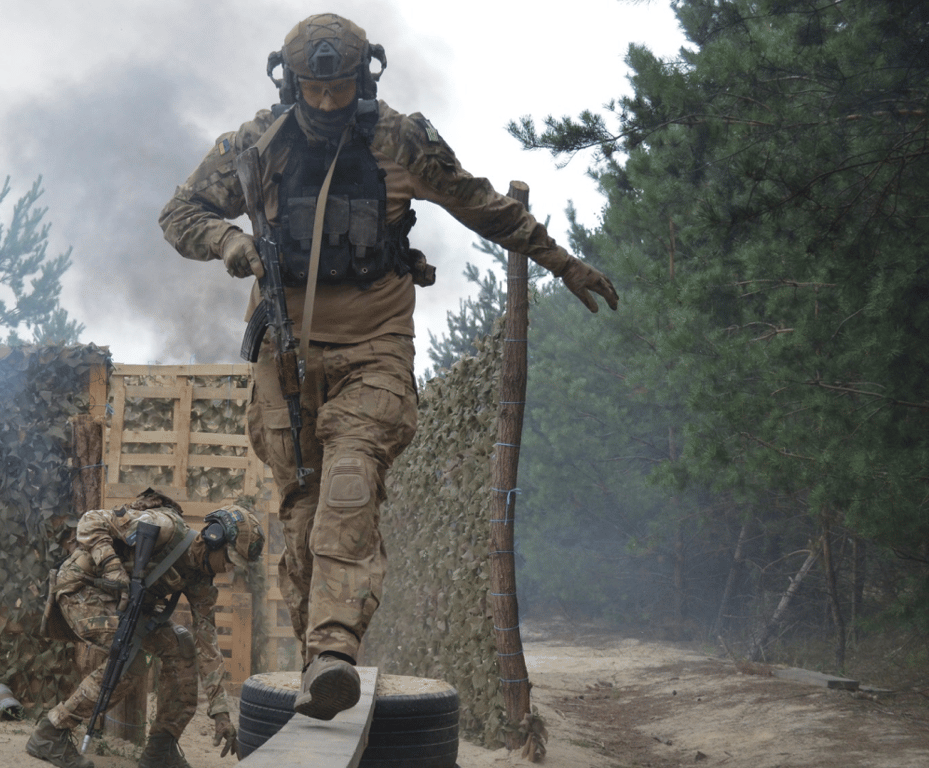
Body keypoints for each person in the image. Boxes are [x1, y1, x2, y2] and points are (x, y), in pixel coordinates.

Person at [158, 13, 618, 722]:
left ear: (363, 79)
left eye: (339, 88)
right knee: (306, 514)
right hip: (285, 357)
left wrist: (564, 263)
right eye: (313, 90)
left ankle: (336, 647)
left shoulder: (402, 141)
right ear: (291, 85)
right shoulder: (257, 145)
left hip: (374, 346)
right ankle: (321, 665)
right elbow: (180, 212)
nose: (326, 103)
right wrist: (230, 244)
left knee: (349, 488)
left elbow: (482, 207)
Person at [27, 488, 264, 768]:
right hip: (83, 589)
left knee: (183, 644)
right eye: (229, 559)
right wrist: (111, 565)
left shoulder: (201, 581)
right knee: (130, 657)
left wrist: (220, 712)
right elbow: (91, 520)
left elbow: (207, 646)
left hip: (124, 605)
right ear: (214, 538)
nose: (228, 570)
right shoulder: (164, 527)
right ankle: (51, 732)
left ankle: (160, 748)